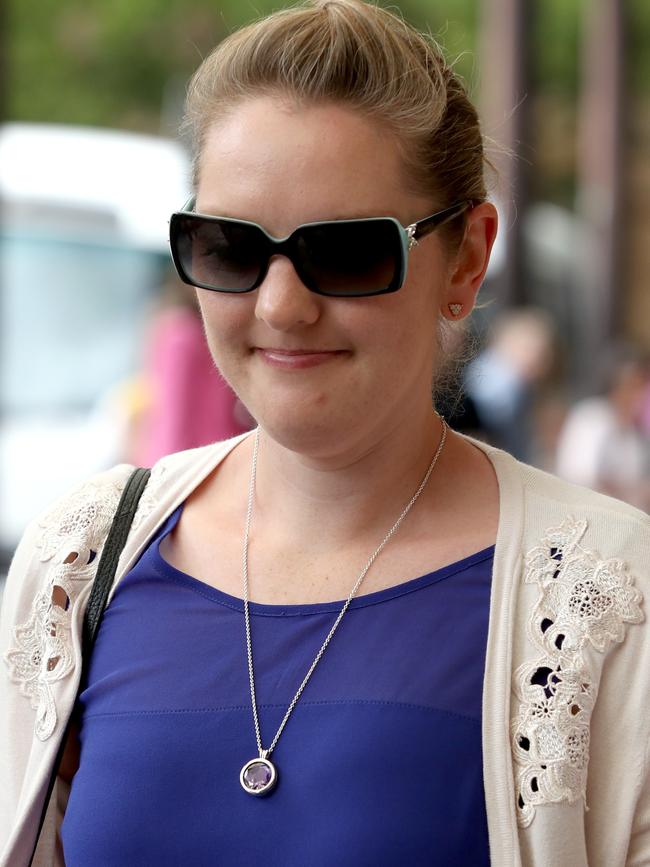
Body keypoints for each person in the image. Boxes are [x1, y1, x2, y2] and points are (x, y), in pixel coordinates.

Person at [1, 2, 648, 865]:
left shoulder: (612, 598)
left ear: (466, 257)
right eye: (231, 247)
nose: (280, 306)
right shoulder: (79, 562)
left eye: (344, 252)